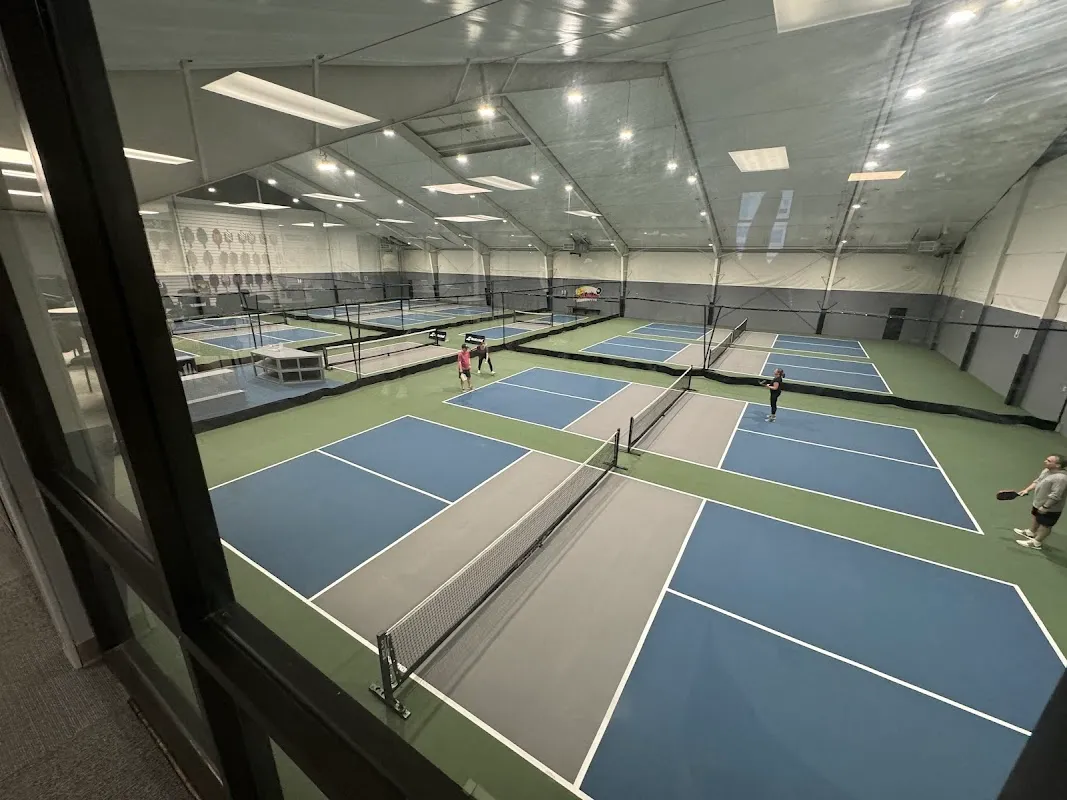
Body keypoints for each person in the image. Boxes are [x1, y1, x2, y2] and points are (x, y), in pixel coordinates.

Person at [1014, 454, 1067, 550]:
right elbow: (1037, 481)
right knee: (1035, 516)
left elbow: (1056, 495)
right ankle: (1031, 532)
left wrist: (1046, 507)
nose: (1045, 461)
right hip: (1038, 502)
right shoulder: (1046, 471)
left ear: (1058, 465)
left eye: (1049, 461)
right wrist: (1026, 490)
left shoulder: (1061, 478)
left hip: (1051, 508)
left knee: (1045, 525)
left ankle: (1036, 542)